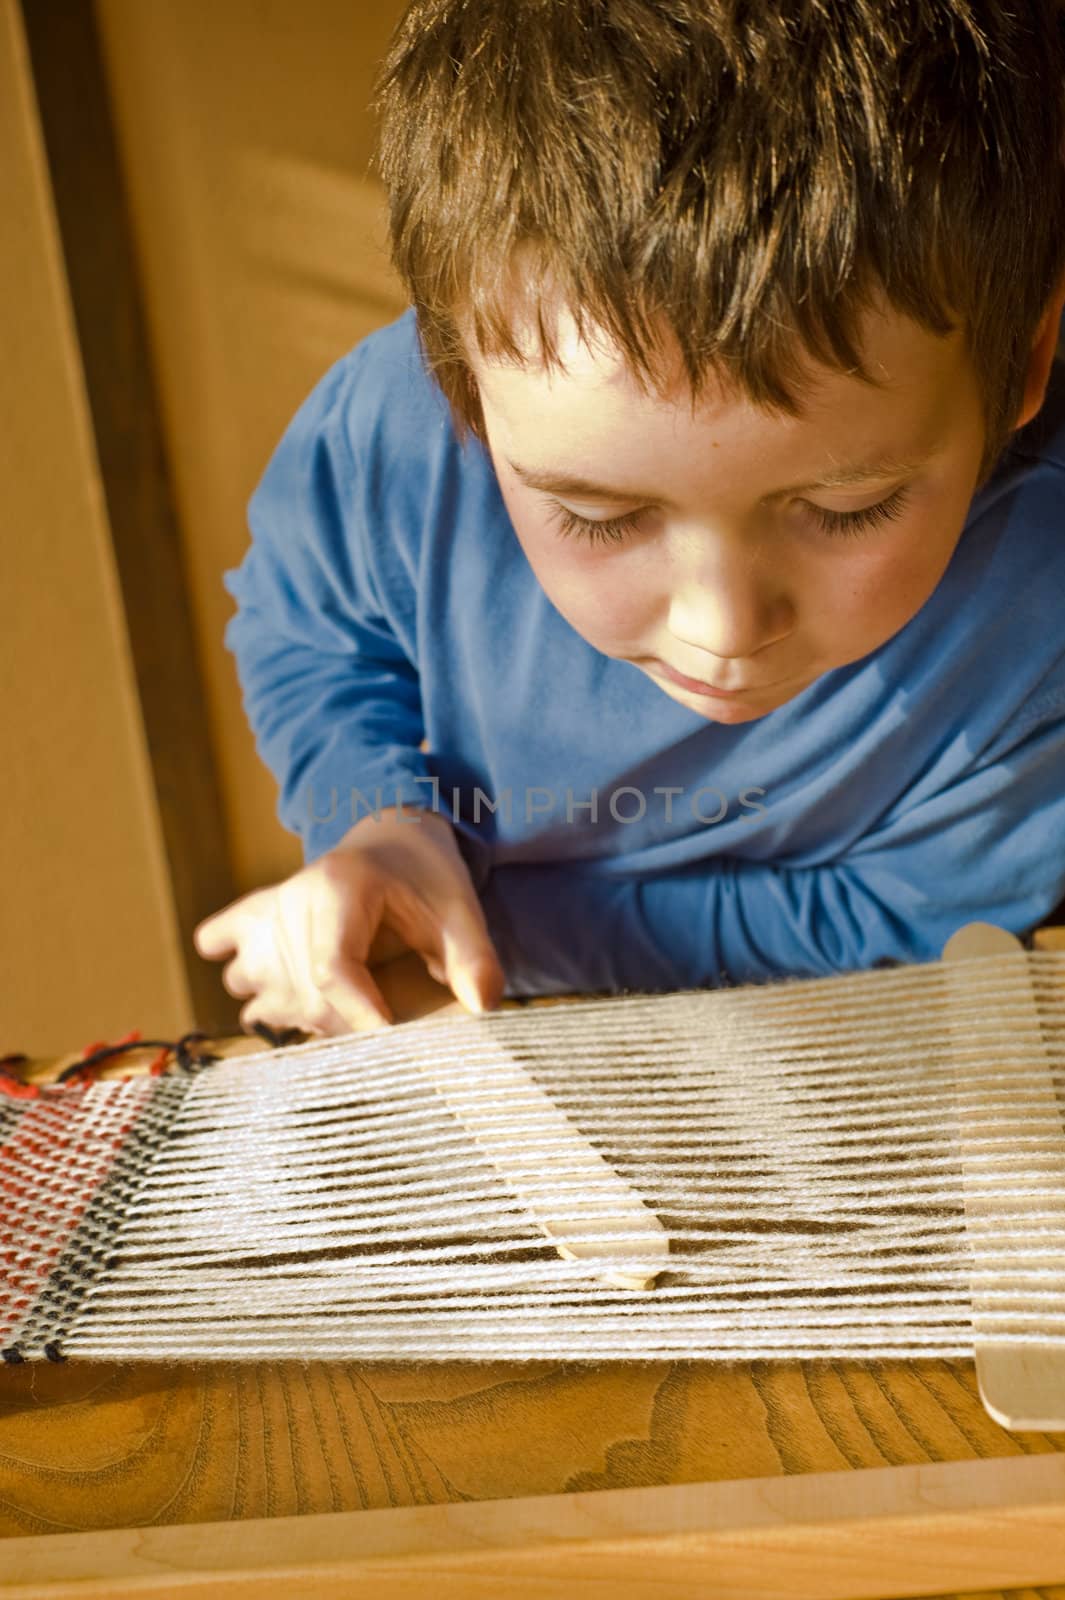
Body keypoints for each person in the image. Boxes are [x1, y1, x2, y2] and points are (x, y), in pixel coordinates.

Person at [194, 0, 1065, 1036]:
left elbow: (898, 913)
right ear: (460, 383)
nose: (724, 629)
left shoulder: (1043, 603)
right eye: (598, 517)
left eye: (848, 506)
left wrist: (487, 924)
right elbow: (311, 631)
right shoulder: (390, 436)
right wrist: (376, 817)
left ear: (1026, 366)